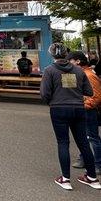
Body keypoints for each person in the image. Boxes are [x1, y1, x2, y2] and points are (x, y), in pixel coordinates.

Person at [40, 43, 100, 190]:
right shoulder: (79, 71)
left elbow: (44, 94)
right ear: (66, 53)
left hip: (59, 109)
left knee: (63, 142)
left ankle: (65, 179)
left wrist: (53, 101)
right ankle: (92, 178)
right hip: (78, 108)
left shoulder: (49, 70)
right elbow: (89, 91)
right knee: (83, 143)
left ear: (51, 54)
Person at [67, 51, 101, 175]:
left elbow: (96, 97)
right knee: (83, 137)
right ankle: (84, 159)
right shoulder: (78, 73)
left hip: (89, 111)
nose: (68, 63)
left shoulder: (89, 75)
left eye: (70, 61)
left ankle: (98, 163)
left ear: (77, 61)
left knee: (93, 137)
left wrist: (84, 105)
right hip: (80, 109)